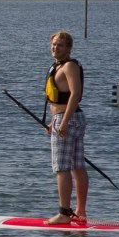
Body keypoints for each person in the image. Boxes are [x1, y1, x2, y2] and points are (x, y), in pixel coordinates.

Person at [44, 30, 88, 224]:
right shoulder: (57, 66)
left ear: (69, 48)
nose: (56, 48)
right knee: (77, 166)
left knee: (62, 168)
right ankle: (80, 212)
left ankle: (64, 213)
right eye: (54, 44)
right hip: (68, 119)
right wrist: (53, 122)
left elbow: (75, 95)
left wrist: (62, 122)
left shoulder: (69, 66)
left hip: (68, 119)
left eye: (60, 45)